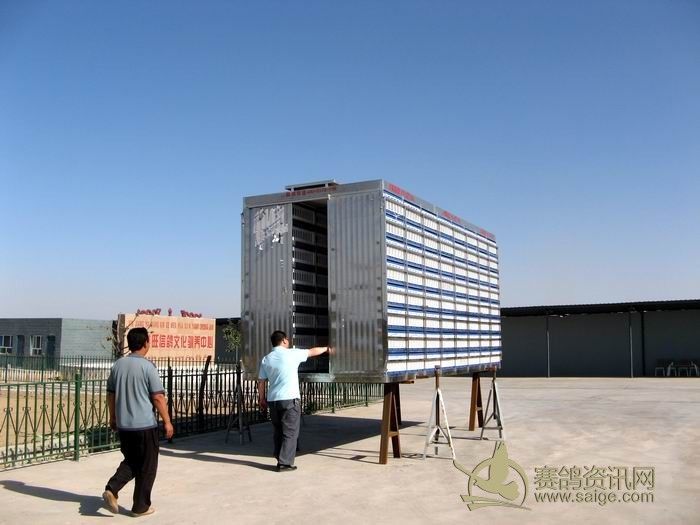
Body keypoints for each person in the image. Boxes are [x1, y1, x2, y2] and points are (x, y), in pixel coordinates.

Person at [102, 327, 174, 517]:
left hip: (124, 426)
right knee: (148, 466)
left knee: (132, 461)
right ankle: (140, 507)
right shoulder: (147, 367)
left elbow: (110, 395)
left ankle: (112, 489)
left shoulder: (118, 365)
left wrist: (113, 417)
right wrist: (167, 421)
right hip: (144, 426)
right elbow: (158, 397)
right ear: (145, 343)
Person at [258, 330, 329, 472]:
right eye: (287, 340)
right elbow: (312, 352)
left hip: (273, 400)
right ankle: (284, 463)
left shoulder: (266, 359)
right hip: (289, 399)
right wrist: (327, 349)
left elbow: (261, 381)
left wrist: (261, 399)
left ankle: (279, 457)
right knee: (290, 432)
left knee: (278, 430)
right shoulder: (292, 354)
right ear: (284, 340)